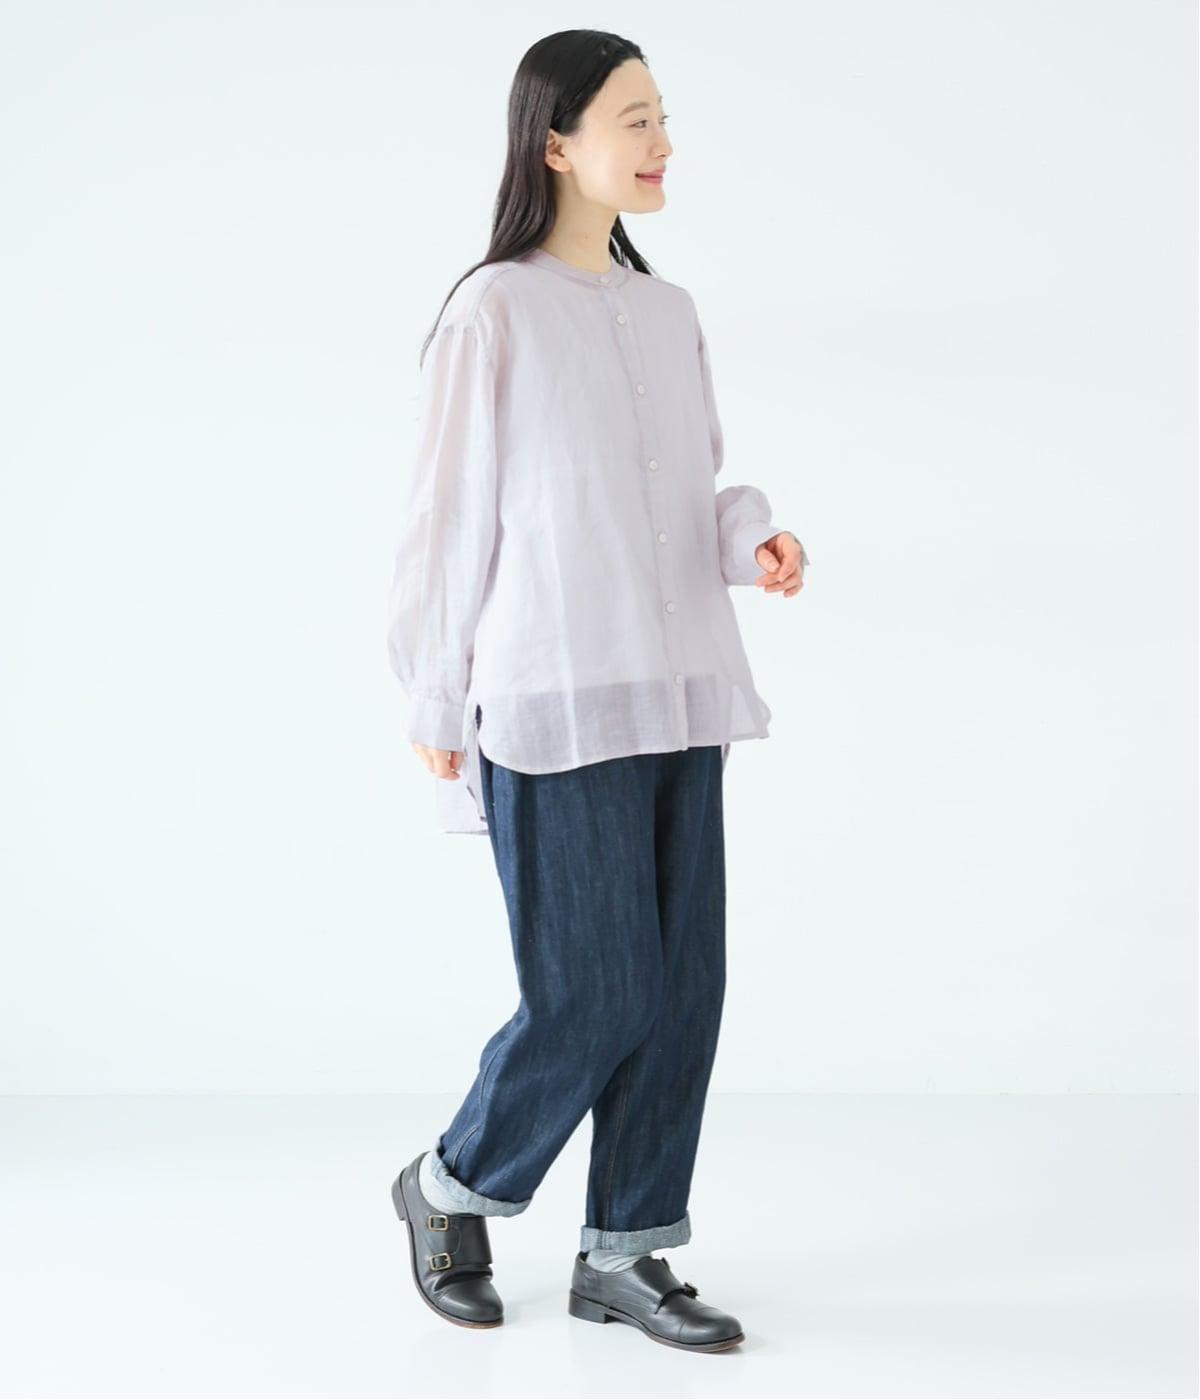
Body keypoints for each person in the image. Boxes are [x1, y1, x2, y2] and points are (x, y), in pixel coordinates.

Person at [385, 29, 809, 1352]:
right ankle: (449, 1184)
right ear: (556, 143)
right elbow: (448, 519)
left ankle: (625, 1253)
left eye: (664, 116)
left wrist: (749, 537)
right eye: (636, 119)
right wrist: (434, 698)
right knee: (592, 996)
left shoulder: (667, 312)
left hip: (677, 691)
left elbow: (684, 491)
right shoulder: (495, 310)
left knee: (680, 992)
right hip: (551, 698)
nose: (663, 141)